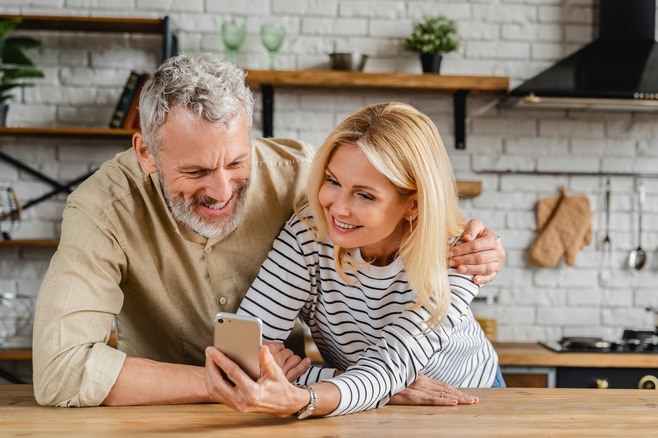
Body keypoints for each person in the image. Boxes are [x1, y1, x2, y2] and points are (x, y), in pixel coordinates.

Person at [32, 54, 506, 407]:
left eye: (238, 162)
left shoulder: (306, 180)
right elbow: (60, 371)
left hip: (465, 397)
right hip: (200, 408)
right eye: (195, 171)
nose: (221, 191)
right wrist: (253, 381)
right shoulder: (103, 209)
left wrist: (482, 249)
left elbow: (417, 207)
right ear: (146, 154)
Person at [205, 102, 502, 418]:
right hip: (354, 402)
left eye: (365, 195)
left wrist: (301, 397)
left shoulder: (456, 256)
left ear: (413, 205)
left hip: (465, 401)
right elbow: (240, 356)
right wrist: (360, 386)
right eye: (333, 181)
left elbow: (390, 365)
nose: (337, 208)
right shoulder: (310, 229)